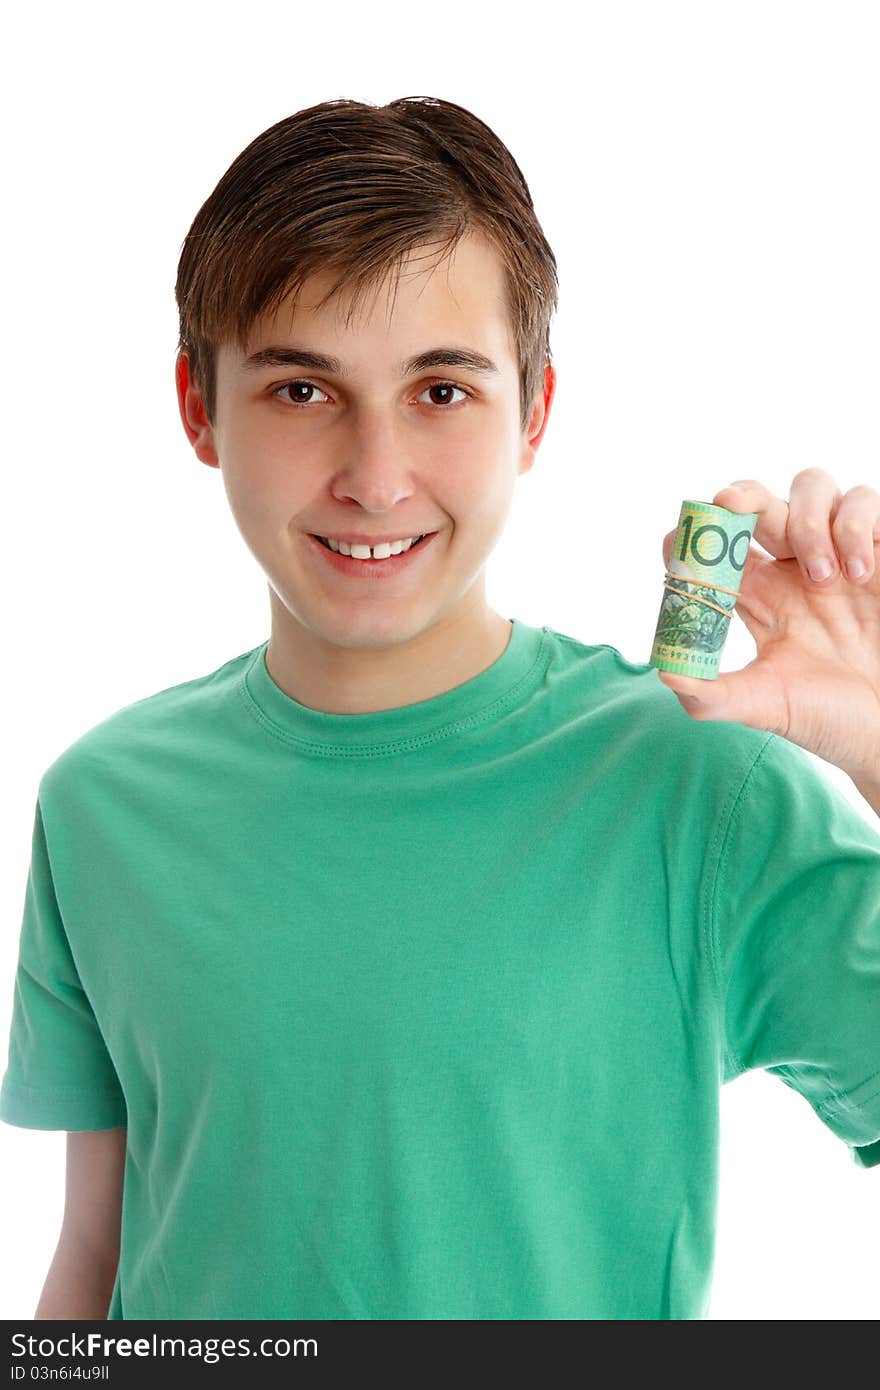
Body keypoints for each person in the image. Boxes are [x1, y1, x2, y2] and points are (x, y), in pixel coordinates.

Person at [1, 95, 879, 1323]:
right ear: (200, 408)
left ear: (534, 412)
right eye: (303, 391)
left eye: (441, 391)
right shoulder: (98, 804)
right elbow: (92, 1260)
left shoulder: (699, 785)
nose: (373, 478)